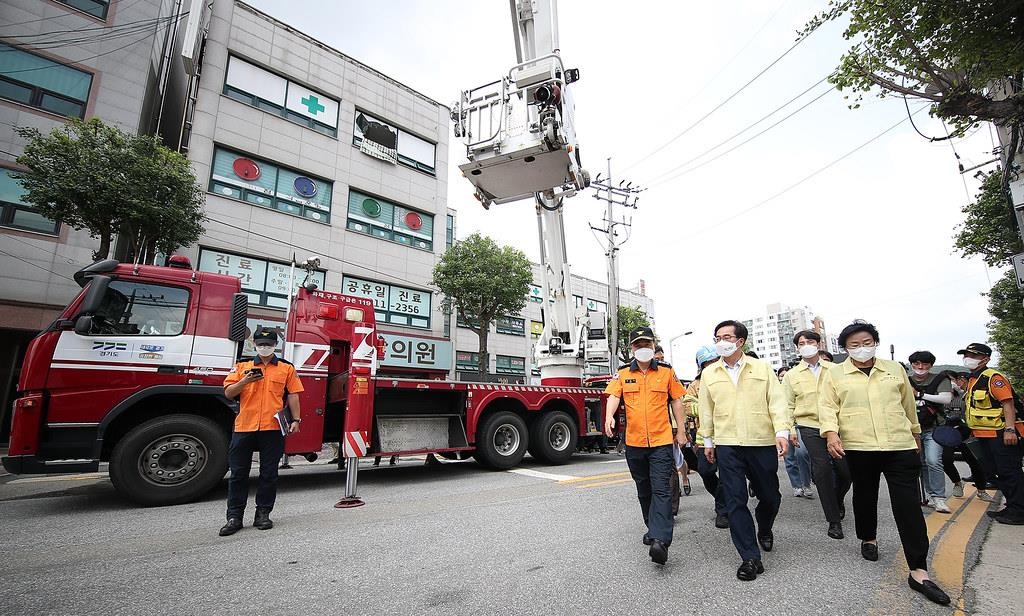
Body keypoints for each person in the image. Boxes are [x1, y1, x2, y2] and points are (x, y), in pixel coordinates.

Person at [819, 321, 950, 605]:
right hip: (859, 446)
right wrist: (831, 434)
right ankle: (868, 538)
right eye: (854, 345)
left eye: (866, 342)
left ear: (875, 342)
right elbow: (827, 407)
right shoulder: (835, 374)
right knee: (865, 496)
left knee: (908, 506)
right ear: (845, 348)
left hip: (898, 445)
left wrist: (915, 435)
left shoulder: (894, 369)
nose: (861, 348)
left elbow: (906, 405)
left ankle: (918, 570)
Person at [699, 320, 789, 582]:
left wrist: (781, 432)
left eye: (727, 337)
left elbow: (777, 401)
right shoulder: (710, 373)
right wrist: (708, 441)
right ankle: (750, 557)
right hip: (728, 444)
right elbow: (706, 409)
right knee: (735, 500)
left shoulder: (761, 368)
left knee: (770, 496)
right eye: (717, 337)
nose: (721, 342)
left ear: (740, 341)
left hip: (760, 442)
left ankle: (765, 526)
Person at [603, 326, 687, 565]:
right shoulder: (622, 373)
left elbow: (677, 402)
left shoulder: (666, 372)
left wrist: (681, 430)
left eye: (647, 344)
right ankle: (653, 528)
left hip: (661, 441)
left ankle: (661, 540)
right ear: (632, 349)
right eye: (638, 345)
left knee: (661, 488)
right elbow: (614, 396)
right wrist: (609, 416)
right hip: (634, 442)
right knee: (644, 488)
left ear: (653, 346)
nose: (643, 349)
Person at [219, 327, 303, 536]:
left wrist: (296, 419)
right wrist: (244, 381)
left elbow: (293, 395)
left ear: (275, 346)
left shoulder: (286, 368)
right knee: (238, 473)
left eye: (269, 344)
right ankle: (234, 517)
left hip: (272, 428)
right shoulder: (242, 366)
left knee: (269, 474)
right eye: (261, 344)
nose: (265, 348)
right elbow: (229, 393)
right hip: (244, 426)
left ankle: (263, 514)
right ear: (254, 345)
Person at [783, 329, 849, 539]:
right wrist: (791, 429)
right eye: (801, 343)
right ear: (797, 348)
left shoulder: (836, 369)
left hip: (838, 426)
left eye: (809, 341)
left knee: (845, 472)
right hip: (808, 425)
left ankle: (837, 500)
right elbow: (787, 404)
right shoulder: (792, 375)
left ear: (819, 344)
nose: (806, 345)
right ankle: (833, 520)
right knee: (822, 470)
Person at [959, 343, 1024, 525]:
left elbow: (1008, 403)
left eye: (973, 355)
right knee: (996, 472)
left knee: (1010, 471)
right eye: (966, 354)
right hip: (985, 435)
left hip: (1001, 433)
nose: (968, 358)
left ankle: (1019, 511)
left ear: (985, 359)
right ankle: (1012, 507)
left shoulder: (993, 378)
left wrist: (1010, 429)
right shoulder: (973, 379)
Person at [687, 345, 729, 529]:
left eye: (714, 361)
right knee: (706, 472)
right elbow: (688, 406)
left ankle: (723, 510)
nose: (711, 365)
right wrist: (710, 408)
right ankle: (724, 500)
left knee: (729, 474)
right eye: (707, 363)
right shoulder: (694, 385)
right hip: (705, 438)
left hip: (729, 435)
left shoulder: (729, 379)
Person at [907, 351, 953, 513]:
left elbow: (946, 398)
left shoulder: (940, 379)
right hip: (911, 430)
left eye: (925, 364)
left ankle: (938, 498)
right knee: (920, 463)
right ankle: (926, 495)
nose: (920, 367)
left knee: (933, 460)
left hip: (933, 428)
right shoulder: (905, 380)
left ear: (931, 365)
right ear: (911, 365)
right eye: (917, 364)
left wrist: (919, 394)